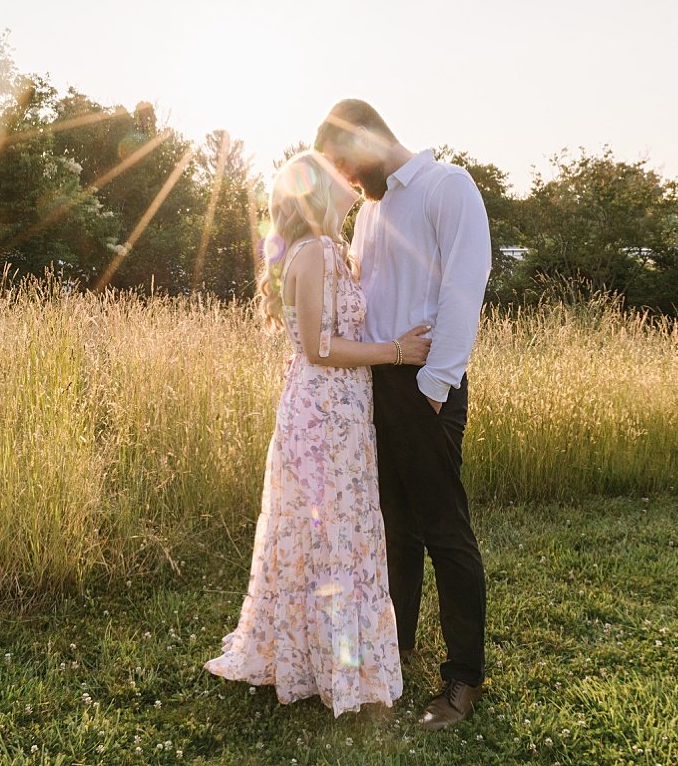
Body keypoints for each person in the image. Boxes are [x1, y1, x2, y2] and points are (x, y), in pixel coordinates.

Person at [204, 150, 432, 717]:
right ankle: (327, 664)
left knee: (343, 529)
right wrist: (398, 352)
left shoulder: (336, 252)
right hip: (320, 414)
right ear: (320, 195)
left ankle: (337, 659)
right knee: (324, 535)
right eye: (340, 179)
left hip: (345, 410)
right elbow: (317, 348)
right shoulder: (314, 253)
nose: (353, 183)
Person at [314, 99, 493, 731]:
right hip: (375, 383)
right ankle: (400, 647)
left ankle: (464, 679)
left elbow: (464, 288)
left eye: (344, 164)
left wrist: (435, 386)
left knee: (445, 529)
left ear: (366, 139)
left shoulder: (448, 187)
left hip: (426, 385)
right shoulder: (368, 212)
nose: (345, 180)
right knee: (396, 526)